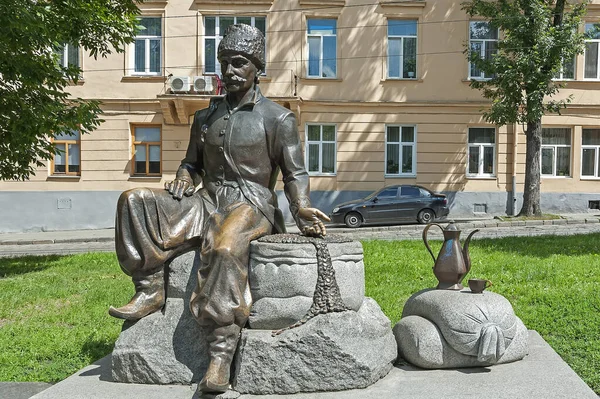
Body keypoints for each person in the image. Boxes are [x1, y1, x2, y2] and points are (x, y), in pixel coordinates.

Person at [108, 24, 329, 393]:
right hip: (206, 200)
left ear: (257, 67)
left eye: (239, 62)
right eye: (224, 62)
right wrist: (182, 177)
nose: (229, 71)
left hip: (252, 203)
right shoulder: (205, 117)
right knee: (135, 201)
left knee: (226, 248)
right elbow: (191, 164)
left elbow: (295, 173)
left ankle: (220, 356)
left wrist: (302, 206)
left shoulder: (278, 119)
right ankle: (149, 288)